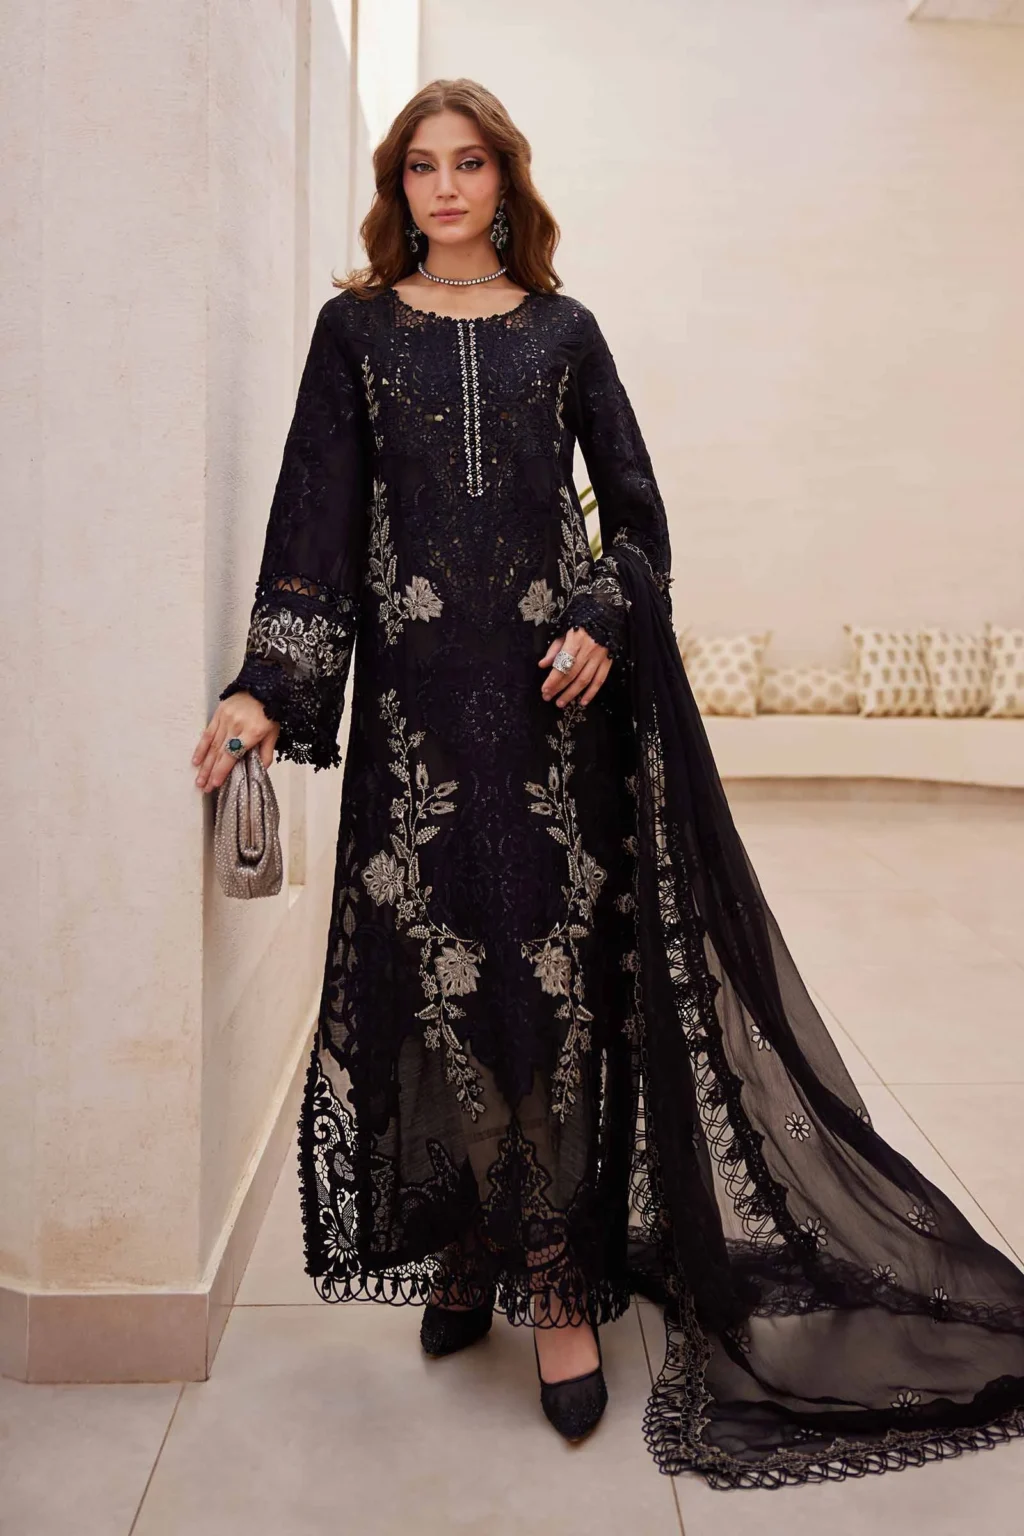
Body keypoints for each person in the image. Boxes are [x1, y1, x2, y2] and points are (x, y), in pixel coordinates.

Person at [192, 78, 1024, 1487]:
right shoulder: (356, 335)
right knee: (437, 981)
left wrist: (595, 613)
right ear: (398, 190)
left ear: (505, 181)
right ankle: (469, 1242)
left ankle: (558, 1280)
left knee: (551, 992)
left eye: (469, 164)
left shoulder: (564, 335)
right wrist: (265, 686)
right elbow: (312, 522)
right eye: (420, 167)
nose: (445, 188)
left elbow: (637, 521)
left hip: (546, 723)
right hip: (415, 731)